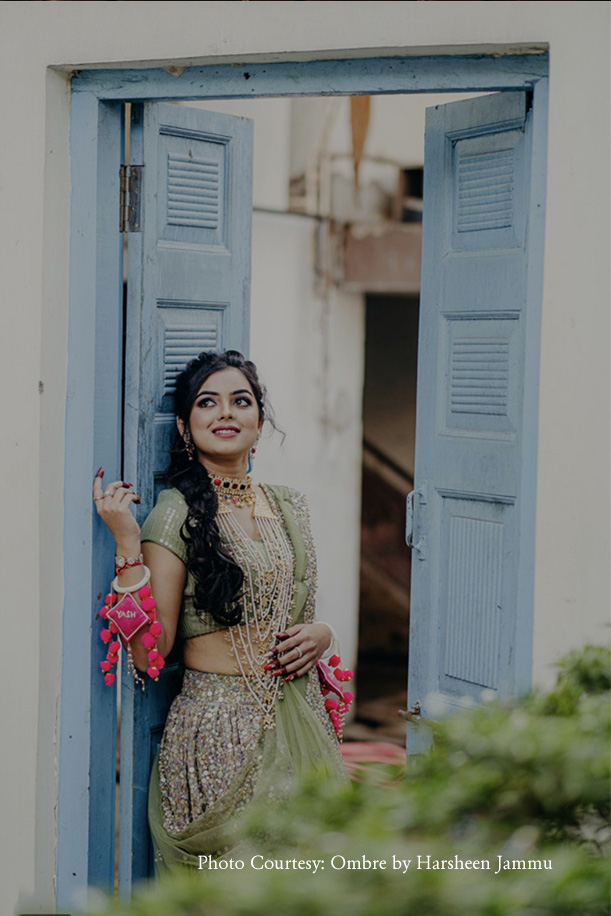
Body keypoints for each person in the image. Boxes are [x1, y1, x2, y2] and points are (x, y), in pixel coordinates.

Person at [93, 350, 347, 870]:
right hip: (218, 732)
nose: (226, 413)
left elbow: (294, 614)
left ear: (259, 421)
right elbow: (149, 656)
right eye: (208, 403)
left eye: (241, 401)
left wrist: (321, 634)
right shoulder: (175, 514)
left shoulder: (288, 506)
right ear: (187, 427)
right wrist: (126, 543)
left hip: (298, 721)